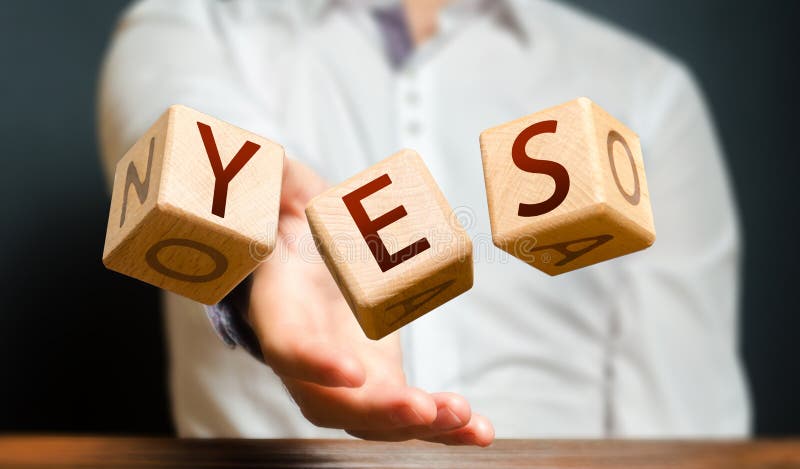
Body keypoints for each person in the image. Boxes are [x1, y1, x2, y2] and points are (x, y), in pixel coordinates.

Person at [98, 0, 750, 444]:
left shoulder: (645, 89)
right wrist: (268, 247)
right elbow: (185, 141)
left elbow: (686, 418)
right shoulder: (197, 24)